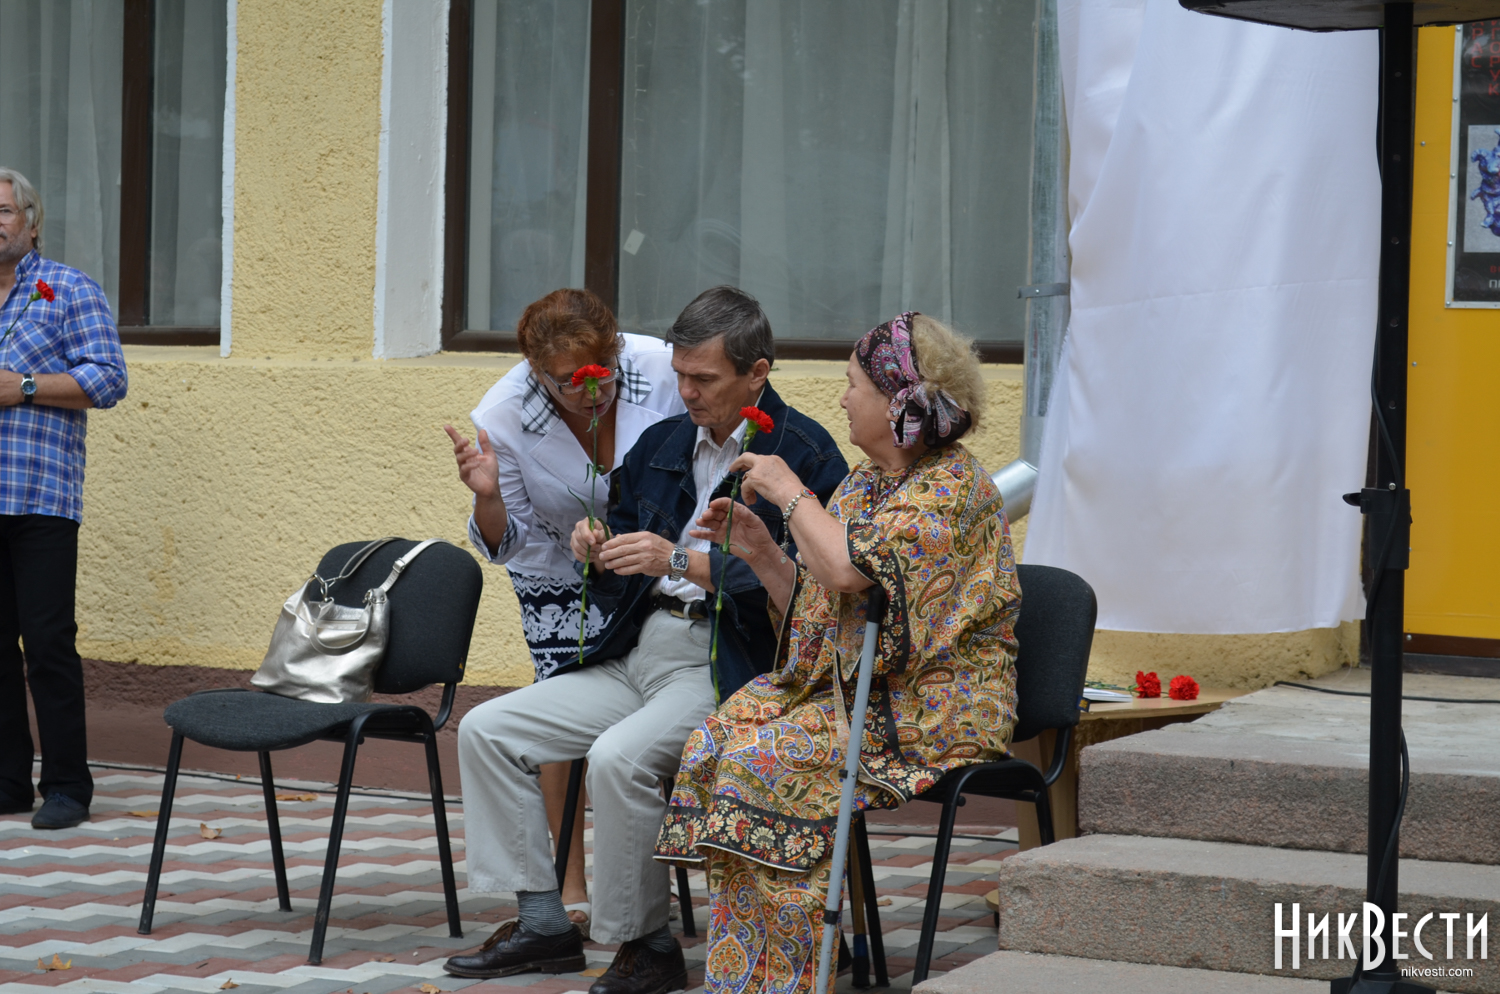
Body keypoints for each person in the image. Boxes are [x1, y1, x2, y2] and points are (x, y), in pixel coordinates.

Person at [446, 286, 848, 994]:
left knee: (617, 758)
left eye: (704, 379)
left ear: (757, 373)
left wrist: (682, 562)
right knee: (487, 730)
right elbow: (619, 555)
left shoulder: (802, 455)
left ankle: (647, 944)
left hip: (726, 660)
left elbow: (816, 590)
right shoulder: (663, 441)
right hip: (638, 649)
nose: (684, 392)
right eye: (681, 375)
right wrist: (595, 546)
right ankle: (543, 921)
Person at [654, 312, 1021, 994]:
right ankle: (755, 966)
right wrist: (763, 554)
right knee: (716, 740)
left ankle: (785, 976)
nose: (843, 398)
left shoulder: (950, 489)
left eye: (854, 384)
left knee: (763, 762)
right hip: (852, 693)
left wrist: (789, 491)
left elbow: (851, 572)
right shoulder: (865, 483)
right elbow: (823, 604)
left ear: (899, 401)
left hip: (929, 708)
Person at [445, 287, 681, 933]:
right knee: (558, 704)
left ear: (616, 352)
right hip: (554, 564)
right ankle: (568, 883)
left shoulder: (662, 371)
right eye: (568, 381)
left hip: (651, 554)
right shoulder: (503, 414)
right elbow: (509, 539)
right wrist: (486, 497)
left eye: (600, 373)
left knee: (648, 699)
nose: (590, 391)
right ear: (536, 371)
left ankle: (648, 873)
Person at [0, 169, 128, 831]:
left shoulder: (68, 288)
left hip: (40, 495)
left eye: (2, 211)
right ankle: (7, 782)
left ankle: (68, 787)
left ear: (31, 221)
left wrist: (22, 386)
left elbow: (108, 379)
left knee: (48, 643)